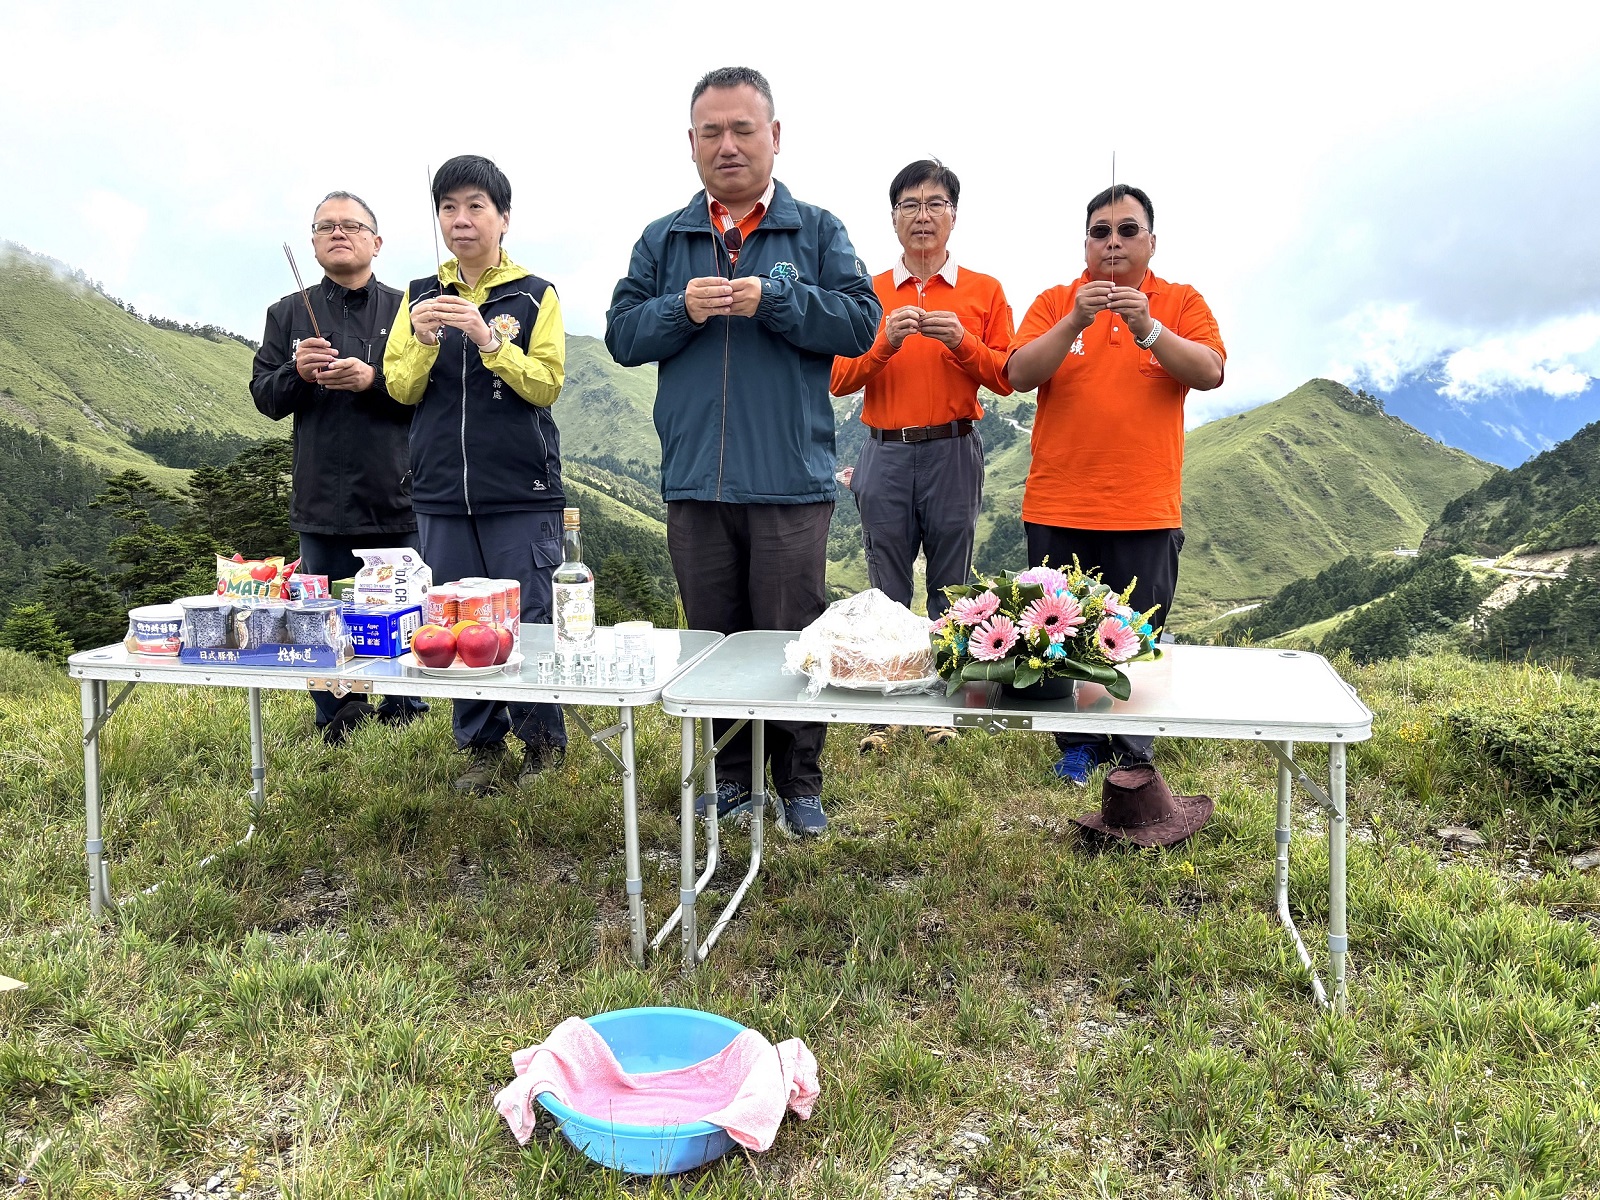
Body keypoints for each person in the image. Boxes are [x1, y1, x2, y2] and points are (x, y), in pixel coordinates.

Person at [605, 66, 881, 837]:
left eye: (742, 129)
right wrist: (678, 309)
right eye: (710, 132)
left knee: (794, 639)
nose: (727, 145)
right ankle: (731, 779)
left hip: (790, 480)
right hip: (695, 481)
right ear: (691, 144)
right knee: (714, 641)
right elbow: (624, 333)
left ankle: (799, 785)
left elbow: (862, 325)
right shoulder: (665, 239)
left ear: (775, 137)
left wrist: (781, 299)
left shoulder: (817, 231)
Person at [1006, 184, 1226, 786]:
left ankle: (1133, 747)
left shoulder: (1180, 301)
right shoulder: (1056, 301)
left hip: (1145, 508)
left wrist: (1149, 329)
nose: (1113, 241)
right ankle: (1075, 743)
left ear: (1151, 241)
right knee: (1056, 629)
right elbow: (1019, 371)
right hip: (1058, 503)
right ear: (1084, 243)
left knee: (1140, 633)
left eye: (1128, 229)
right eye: (1101, 230)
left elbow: (1210, 371)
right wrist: (1077, 317)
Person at [383, 155, 567, 794]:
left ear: (503, 219)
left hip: (521, 490)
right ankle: (480, 747)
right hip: (439, 492)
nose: (461, 221)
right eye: (449, 209)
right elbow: (400, 389)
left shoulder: (535, 294)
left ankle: (543, 742)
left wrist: (491, 343)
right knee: (457, 617)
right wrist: (425, 337)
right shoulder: (416, 297)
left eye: (475, 207)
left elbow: (546, 386)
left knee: (526, 617)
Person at [830, 159, 1013, 753]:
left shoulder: (984, 291)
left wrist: (962, 341)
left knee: (952, 584)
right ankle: (883, 715)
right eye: (910, 204)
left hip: (954, 450)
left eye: (936, 203)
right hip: (883, 450)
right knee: (885, 588)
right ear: (893, 218)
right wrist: (884, 343)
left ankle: (946, 707)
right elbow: (838, 378)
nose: (923, 215)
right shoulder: (869, 291)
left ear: (954, 216)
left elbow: (1006, 376)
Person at [250, 191, 427, 744]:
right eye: (325, 226)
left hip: (396, 492)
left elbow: (427, 397)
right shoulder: (286, 312)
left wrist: (373, 382)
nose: (337, 233)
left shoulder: (407, 309)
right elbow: (264, 396)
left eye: (351, 225)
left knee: (404, 606)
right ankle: (336, 715)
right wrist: (296, 374)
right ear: (312, 242)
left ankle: (405, 708)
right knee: (320, 614)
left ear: (376, 241)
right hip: (319, 496)